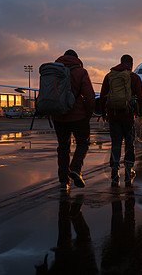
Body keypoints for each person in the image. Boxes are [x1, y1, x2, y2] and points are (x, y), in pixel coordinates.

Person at [52, 50, 95, 191]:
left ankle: (64, 182)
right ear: (77, 59)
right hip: (78, 117)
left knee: (63, 148)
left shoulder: (53, 71)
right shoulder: (80, 72)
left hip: (58, 116)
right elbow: (89, 96)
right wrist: (88, 114)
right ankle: (76, 169)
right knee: (83, 143)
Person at [100, 54, 142, 187]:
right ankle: (128, 170)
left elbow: (103, 96)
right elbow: (141, 96)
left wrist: (104, 114)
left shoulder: (109, 76)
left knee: (116, 143)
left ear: (120, 62)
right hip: (128, 116)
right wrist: (140, 113)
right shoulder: (134, 77)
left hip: (113, 116)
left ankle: (114, 171)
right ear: (131, 64)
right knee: (129, 144)